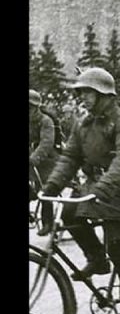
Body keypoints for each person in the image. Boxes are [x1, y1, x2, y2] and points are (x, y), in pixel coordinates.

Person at [40, 68, 120, 314]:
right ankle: (96, 258)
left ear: (104, 95)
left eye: (88, 92)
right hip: (98, 189)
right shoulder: (85, 123)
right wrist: (53, 185)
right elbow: (70, 157)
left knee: (117, 246)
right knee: (69, 214)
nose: (83, 98)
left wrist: (104, 186)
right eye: (81, 92)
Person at [30, 89, 59, 236]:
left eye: (30, 107)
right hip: (31, 161)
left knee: (45, 190)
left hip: (47, 160)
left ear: (36, 107)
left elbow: (46, 143)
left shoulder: (45, 121)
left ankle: (48, 222)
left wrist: (34, 158)